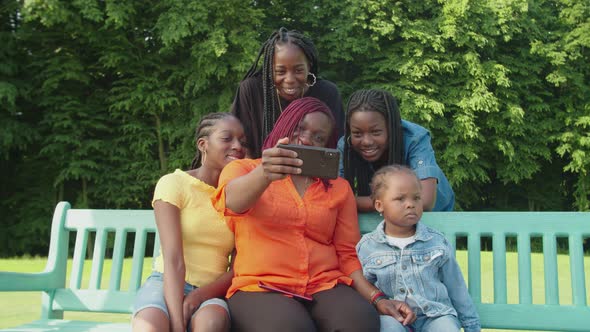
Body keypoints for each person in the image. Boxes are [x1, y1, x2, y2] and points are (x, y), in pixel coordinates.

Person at [213, 97, 415, 331]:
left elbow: (347, 254)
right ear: (284, 127)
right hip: (261, 286)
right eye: (299, 129)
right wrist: (265, 174)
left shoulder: (338, 187)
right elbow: (231, 203)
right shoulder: (245, 169)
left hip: (324, 285)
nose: (307, 139)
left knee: (359, 320)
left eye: (319, 137)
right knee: (291, 327)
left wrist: (377, 297)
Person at [132, 113, 247, 332]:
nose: (237, 146)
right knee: (149, 326)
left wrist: (198, 297)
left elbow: (238, 268)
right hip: (166, 282)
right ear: (203, 144)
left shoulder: (241, 198)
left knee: (210, 324)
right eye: (227, 138)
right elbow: (173, 258)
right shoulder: (174, 184)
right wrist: (177, 324)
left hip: (210, 291)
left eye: (242, 141)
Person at [356, 165, 480, 332]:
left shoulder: (435, 241)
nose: (410, 205)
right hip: (393, 316)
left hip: (435, 315)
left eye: (416, 198)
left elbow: (455, 286)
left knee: (446, 328)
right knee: (387, 328)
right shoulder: (368, 246)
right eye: (400, 199)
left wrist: (471, 325)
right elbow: (362, 289)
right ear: (379, 205)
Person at [231, 27, 344, 158]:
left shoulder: (327, 93)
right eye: (280, 72)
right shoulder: (251, 89)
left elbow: (336, 146)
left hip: (313, 174)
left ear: (309, 65)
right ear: (269, 69)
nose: (289, 80)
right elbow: (241, 143)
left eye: (298, 70)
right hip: (259, 172)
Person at [339, 89, 455, 211]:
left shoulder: (415, 138)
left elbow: (424, 201)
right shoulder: (345, 145)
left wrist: (352, 202)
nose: (366, 141)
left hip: (433, 216)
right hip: (382, 216)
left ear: (391, 127)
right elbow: (331, 196)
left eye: (376, 132)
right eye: (357, 134)